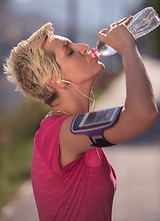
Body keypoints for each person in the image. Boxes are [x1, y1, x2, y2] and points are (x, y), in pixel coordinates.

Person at [4, 17, 158, 221]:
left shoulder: (71, 127)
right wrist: (128, 47)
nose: (84, 47)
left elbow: (136, 113)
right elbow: (141, 115)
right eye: (69, 51)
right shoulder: (61, 133)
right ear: (56, 80)